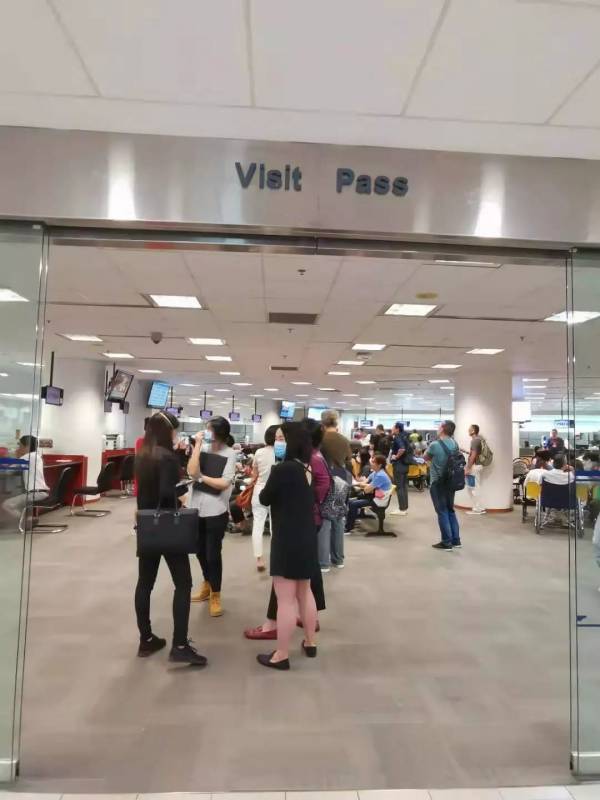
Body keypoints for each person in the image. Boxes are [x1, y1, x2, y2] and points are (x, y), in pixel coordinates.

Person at [134, 411, 206, 666]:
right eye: (174, 430)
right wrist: (183, 491)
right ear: (168, 431)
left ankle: (146, 639)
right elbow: (166, 493)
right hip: (168, 526)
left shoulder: (143, 455)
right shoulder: (166, 457)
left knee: (145, 583)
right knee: (183, 584)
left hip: (147, 525)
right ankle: (180, 645)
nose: (176, 434)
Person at [255, 421, 319, 671]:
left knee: (286, 600)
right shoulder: (308, 467)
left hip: (286, 539)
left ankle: (281, 654)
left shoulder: (282, 469)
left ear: (292, 442)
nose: (277, 442)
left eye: (281, 438)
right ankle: (310, 642)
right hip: (306, 537)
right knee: (305, 592)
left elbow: (264, 498)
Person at [188, 416, 237, 617]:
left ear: (218, 433)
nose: (205, 432)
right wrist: (197, 446)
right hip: (196, 508)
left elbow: (224, 483)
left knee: (213, 554)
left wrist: (201, 477)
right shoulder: (204, 449)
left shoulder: (230, 454)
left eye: (208, 429)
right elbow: (191, 471)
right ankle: (207, 584)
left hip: (216, 511)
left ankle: (216, 593)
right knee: (199, 551)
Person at [425, 420, 462, 552]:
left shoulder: (434, 445)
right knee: (450, 510)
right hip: (451, 482)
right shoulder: (455, 443)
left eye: (439, 426)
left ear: (442, 429)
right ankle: (456, 540)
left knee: (442, 511)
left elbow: (426, 457)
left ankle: (446, 542)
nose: (437, 428)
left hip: (438, 482)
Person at [250, 425, 282, 572]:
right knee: (276, 526)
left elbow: (254, 475)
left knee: (258, 525)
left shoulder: (259, 452)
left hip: (259, 491)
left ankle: (259, 559)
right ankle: (277, 557)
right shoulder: (283, 453)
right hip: (277, 492)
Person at [2, 435, 49, 520]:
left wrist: (17, 457)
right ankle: (28, 519)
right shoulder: (37, 456)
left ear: (27, 446)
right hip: (42, 492)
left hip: (35, 494)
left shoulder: (27, 457)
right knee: (18, 500)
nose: (19, 448)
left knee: (7, 504)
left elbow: (8, 471)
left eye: (20, 445)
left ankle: (26, 520)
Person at [346, 454, 392, 532]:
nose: (371, 463)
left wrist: (360, 484)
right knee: (351, 502)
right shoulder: (376, 472)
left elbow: (367, 490)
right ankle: (351, 521)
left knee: (353, 504)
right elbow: (365, 482)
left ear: (379, 465)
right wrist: (363, 484)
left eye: (373, 462)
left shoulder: (380, 475)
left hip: (378, 501)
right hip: (375, 496)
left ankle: (349, 527)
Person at [389, 422, 411, 516]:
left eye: (393, 427)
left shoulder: (397, 437)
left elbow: (402, 449)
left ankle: (402, 509)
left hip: (399, 465)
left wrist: (396, 457)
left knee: (399, 487)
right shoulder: (405, 437)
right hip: (405, 465)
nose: (392, 429)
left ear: (397, 429)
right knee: (404, 487)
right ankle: (404, 508)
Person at [465, 424, 486, 515]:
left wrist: (467, 468)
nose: (468, 430)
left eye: (469, 429)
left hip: (474, 466)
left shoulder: (474, 441)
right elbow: (475, 453)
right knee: (475, 487)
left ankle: (477, 508)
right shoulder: (479, 440)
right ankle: (479, 507)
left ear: (473, 430)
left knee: (472, 488)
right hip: (478, 466)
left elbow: (473, 456)